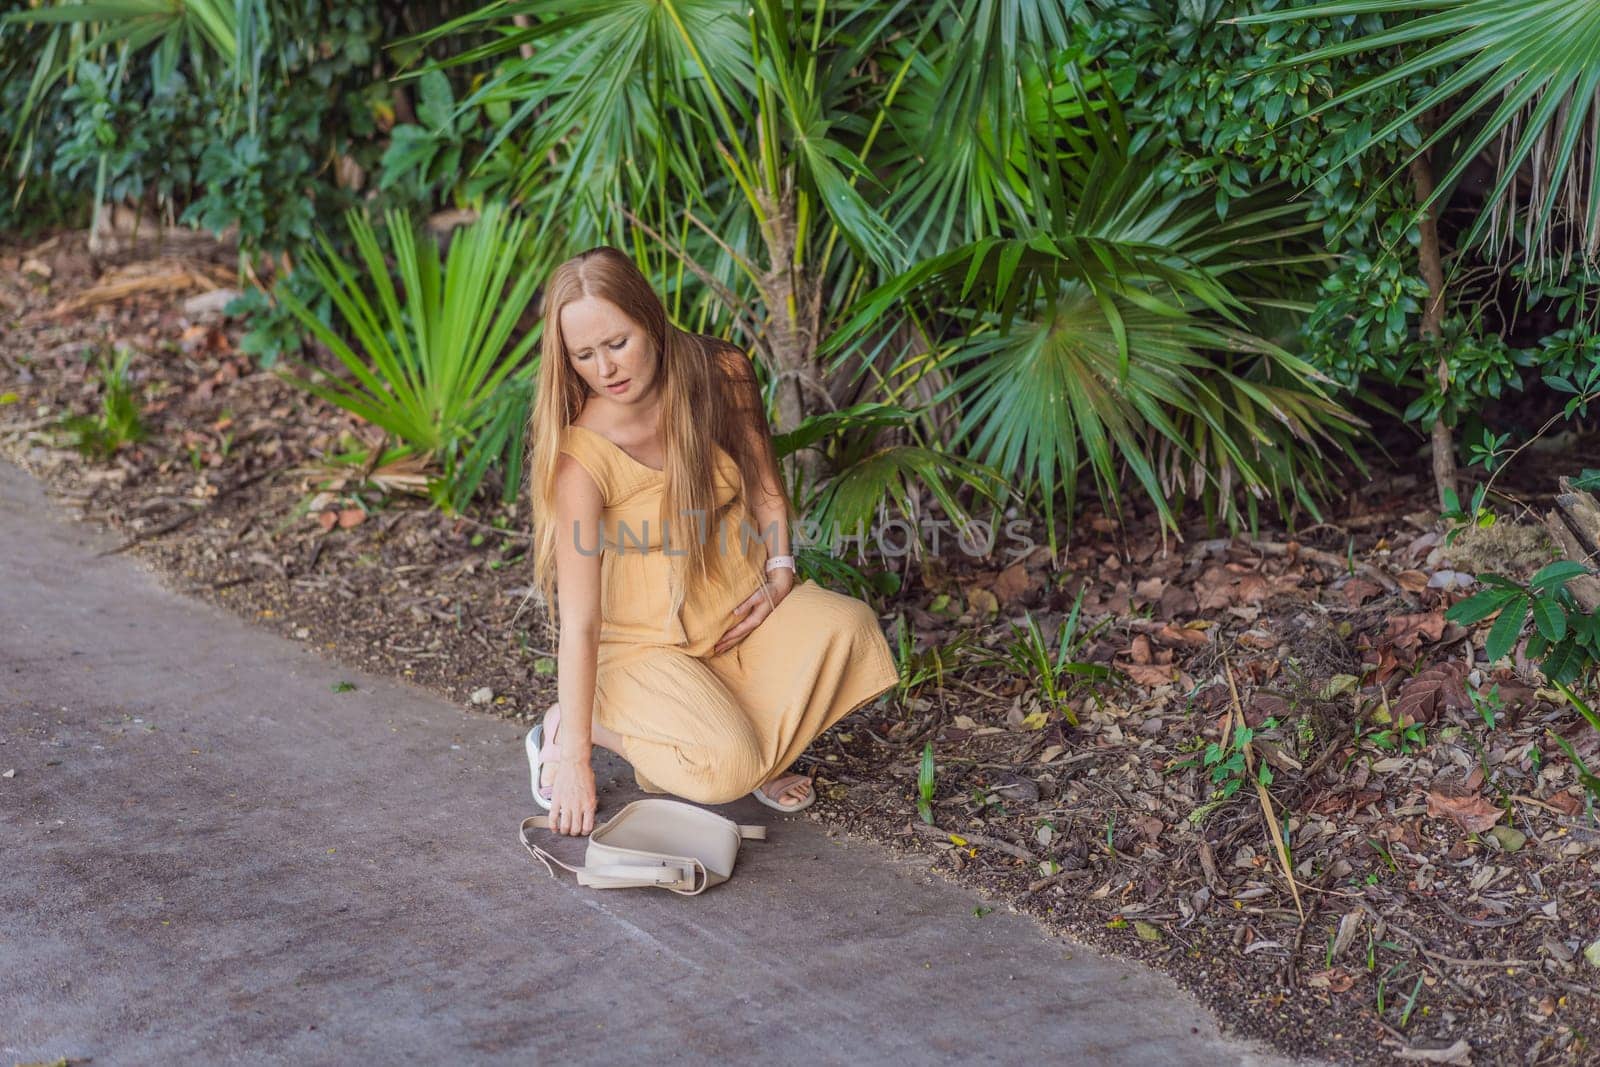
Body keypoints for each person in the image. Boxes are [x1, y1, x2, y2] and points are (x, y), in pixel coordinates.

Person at [523, 246, 901, 837]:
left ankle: (760, 751)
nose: (606, 369)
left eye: (617, 343)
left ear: (650, 317)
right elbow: (580, 623)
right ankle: (577, 723)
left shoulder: (720, 372)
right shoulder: (581, 459)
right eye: (585, 356)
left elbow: (766, 490)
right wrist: (575, 762)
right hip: (646, 651)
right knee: (725, 768)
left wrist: (779, 574)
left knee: (851, 628)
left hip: (735, 616)